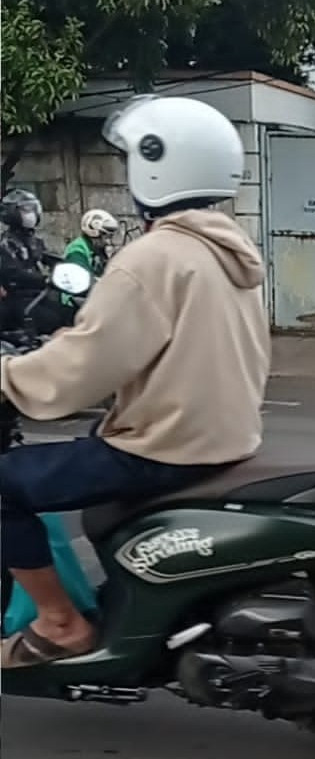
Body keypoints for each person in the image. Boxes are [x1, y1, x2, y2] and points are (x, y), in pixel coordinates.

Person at [0, 95, 271, 668]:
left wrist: (9, 378)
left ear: (155, 165)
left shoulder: (153, 258)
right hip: (225, 435)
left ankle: (61, 622)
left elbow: (82, 364)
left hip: (166, 446)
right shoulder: (230, 251)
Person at [0, 188, 49, 331]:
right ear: (12, 213)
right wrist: (43, 279)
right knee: (53, 318)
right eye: (26, 210)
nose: (31, 215)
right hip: (18, 298)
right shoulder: (6, 243)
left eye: (34, 209)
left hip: (39, 295)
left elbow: (47, 257)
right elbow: (13, 273)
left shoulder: (35, 241)